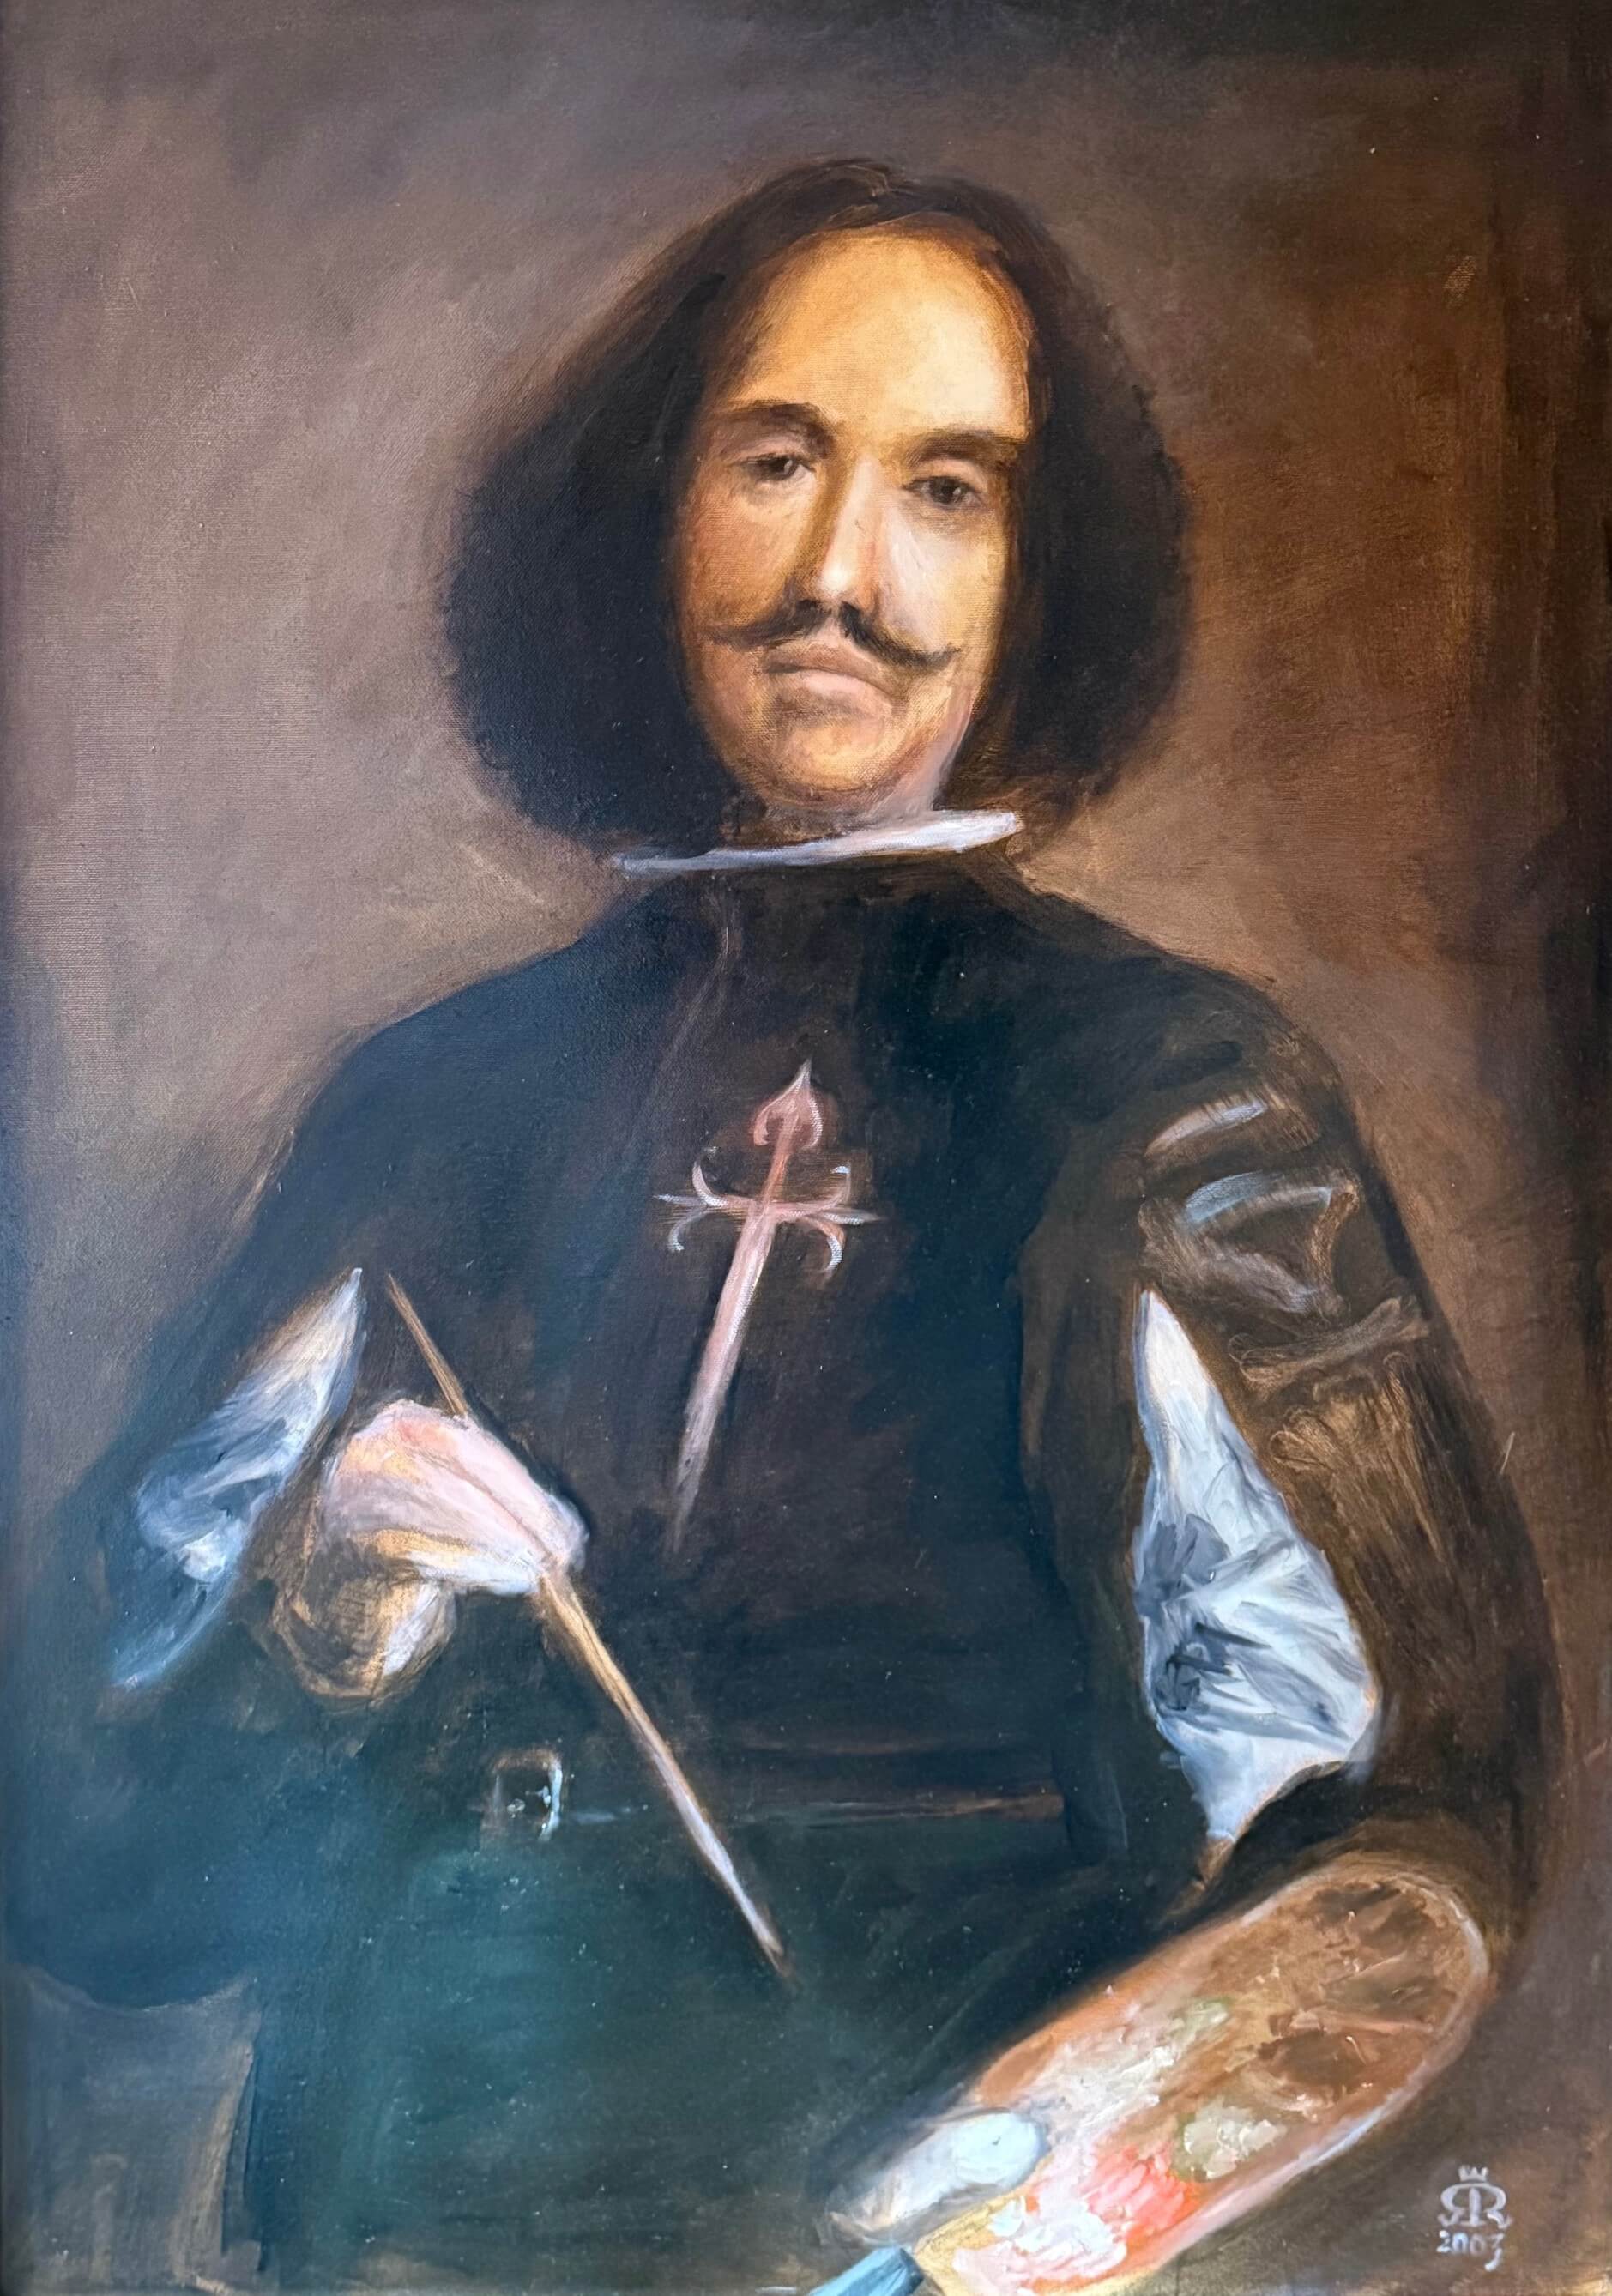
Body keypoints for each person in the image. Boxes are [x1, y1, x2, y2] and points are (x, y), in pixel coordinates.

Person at [16, 160, 1559, 2294]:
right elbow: (94, 1893)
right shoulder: (424, 1108)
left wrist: (1034, 2201)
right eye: (773, 462)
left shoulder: (1175, 1097)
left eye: (948, 490)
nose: (841, 575)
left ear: (1040, 571)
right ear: (647, 511)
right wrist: (319, 1612)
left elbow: (1400, 1847)